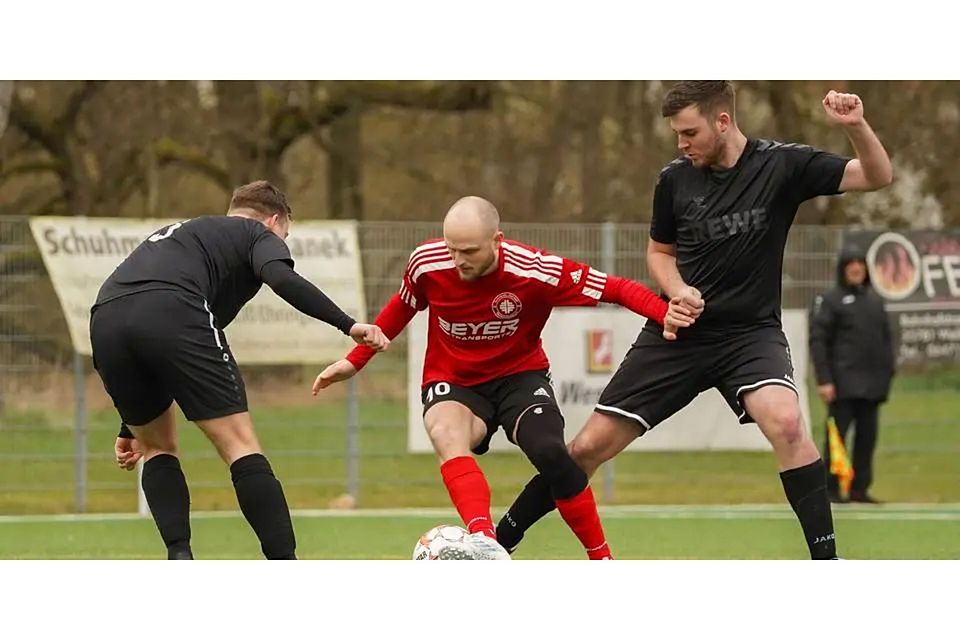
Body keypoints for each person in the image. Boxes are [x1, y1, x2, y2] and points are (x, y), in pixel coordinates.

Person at [495, 81, 894, 560]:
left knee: (788, 424)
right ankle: (498, 544)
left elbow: (876, 175)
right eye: (676, 135)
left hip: (750, 336)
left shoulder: (783, 165)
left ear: (722, 122)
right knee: (585, 449)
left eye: (689, 132)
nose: (681, 144)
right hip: (677, 335)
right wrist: (678, 289)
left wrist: (856, 127)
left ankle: (826, 563)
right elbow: (659, 253)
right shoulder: (674, 179)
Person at [312, 196, 691, 559]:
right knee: (447, 434)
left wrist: (665, 314)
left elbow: (618, 288)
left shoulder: (536, 270)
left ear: (497, 240)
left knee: (551, 454)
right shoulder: (427, 263)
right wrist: (355, 361)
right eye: (452, 248)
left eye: (470, 251)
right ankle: (485, 544)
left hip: (519, 377)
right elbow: (402, 306)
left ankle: (601, 558)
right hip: (454, 381)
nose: (458, 260)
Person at [90, 180, 389, 559]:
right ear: (274, 221)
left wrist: (127, 424)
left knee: (156, 447)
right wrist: (348, 325)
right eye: (285, 236)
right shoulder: (255, 233)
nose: (282, 244)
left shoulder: (190, 235)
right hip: (172, 308)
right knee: (240, 446)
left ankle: (179, 557)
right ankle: (286, 564)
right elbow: (280, 278)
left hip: (105, 317)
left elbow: (154, 333)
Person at [809, 244, 895, 504]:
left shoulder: (874, 301)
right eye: (851, 263)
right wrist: (824, 380)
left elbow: (886, 340)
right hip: (842, 385)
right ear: (843, 268)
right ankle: (833, 489)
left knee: (867, 439)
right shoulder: (830, 301)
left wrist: (888, 373)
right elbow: (818, 342)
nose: (856, 268)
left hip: (872, 386)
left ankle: (860, 489)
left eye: (860, 263)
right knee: (837, 439)